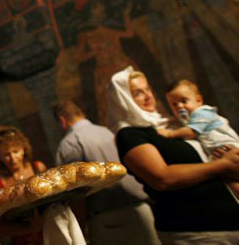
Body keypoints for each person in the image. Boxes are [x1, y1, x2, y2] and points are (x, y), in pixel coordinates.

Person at [106, 66, 239, 244]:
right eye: (138, 93)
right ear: (123, 99)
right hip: (196, 231)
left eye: (148, 89)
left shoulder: (171, 123)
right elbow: (162, 178)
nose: (148, 96)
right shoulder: (129, 134)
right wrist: (224, 165)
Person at [53, 100, 159, 245]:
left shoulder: (69, 143)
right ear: (81, 113)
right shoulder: (107, 131)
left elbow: (75, 191)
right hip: (140, 208)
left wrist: (80, 230)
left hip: (107, 218)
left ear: (62, 121)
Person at [158, 79, 239, 197]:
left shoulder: (202, 113)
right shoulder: (190, 119)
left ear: (198, 100)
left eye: (184, 101)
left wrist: (170, 134)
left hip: (230, 148)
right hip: (220, 154)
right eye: (174, 104)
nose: (179, 106)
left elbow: (191, 132)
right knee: (232, 184)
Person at [0, 125, 47, 245]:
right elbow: (0, 220)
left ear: (23, 150)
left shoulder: (38, 168)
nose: (12, 158)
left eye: (15, 152)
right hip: (20, 238)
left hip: (47, 229)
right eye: (6, 154)